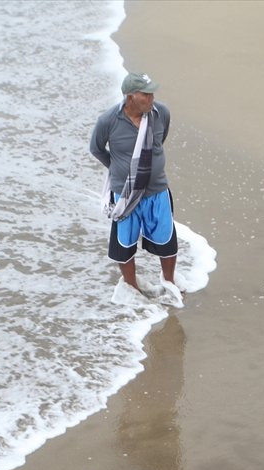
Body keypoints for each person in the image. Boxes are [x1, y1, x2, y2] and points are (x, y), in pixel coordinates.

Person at [90, 71, 179, 299]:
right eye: (145, 95)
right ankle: (132, 288)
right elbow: (96, 148)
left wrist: (147, 166)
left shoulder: (161, 114)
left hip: (157, 190)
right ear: (130, 97)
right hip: (125, 194)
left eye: (152, 94)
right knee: (124, 245)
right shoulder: (108, 121)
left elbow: (159, 141)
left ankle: (169, 283)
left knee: (167, 242)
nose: (151, 99)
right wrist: (120, 168)